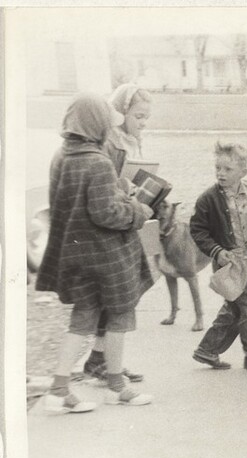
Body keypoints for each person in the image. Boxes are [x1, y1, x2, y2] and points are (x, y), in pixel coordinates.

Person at [36, 92, 155, 413]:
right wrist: (138, 209)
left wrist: (118, 190)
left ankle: (59, 390)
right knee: (119, 315)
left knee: (83, 319)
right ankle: (116, 387)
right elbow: (108, 215)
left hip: (75, 256)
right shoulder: (98, 162)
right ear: (96, 125)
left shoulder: (61, 156)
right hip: (107, 258)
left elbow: (75, 202)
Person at [80, 83, 154, 384]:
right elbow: (102, 188)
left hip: (127, 220)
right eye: (138, 116)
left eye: (147, 117)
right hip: (109, 227)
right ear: (121, 112)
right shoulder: (110, 142)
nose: (143, 122)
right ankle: (103, 363)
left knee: (132, 287)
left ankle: (100, 359)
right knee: (116, 295)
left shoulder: (132, 140)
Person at [190, 142, 247, 373]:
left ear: (243, 172)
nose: (221, 174)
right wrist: (217, 251)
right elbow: (198, 230)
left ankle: (207, 350)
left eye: (227, 169)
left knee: (235, 309)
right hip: (227, 263)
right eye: (218, 168)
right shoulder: (208, 199)